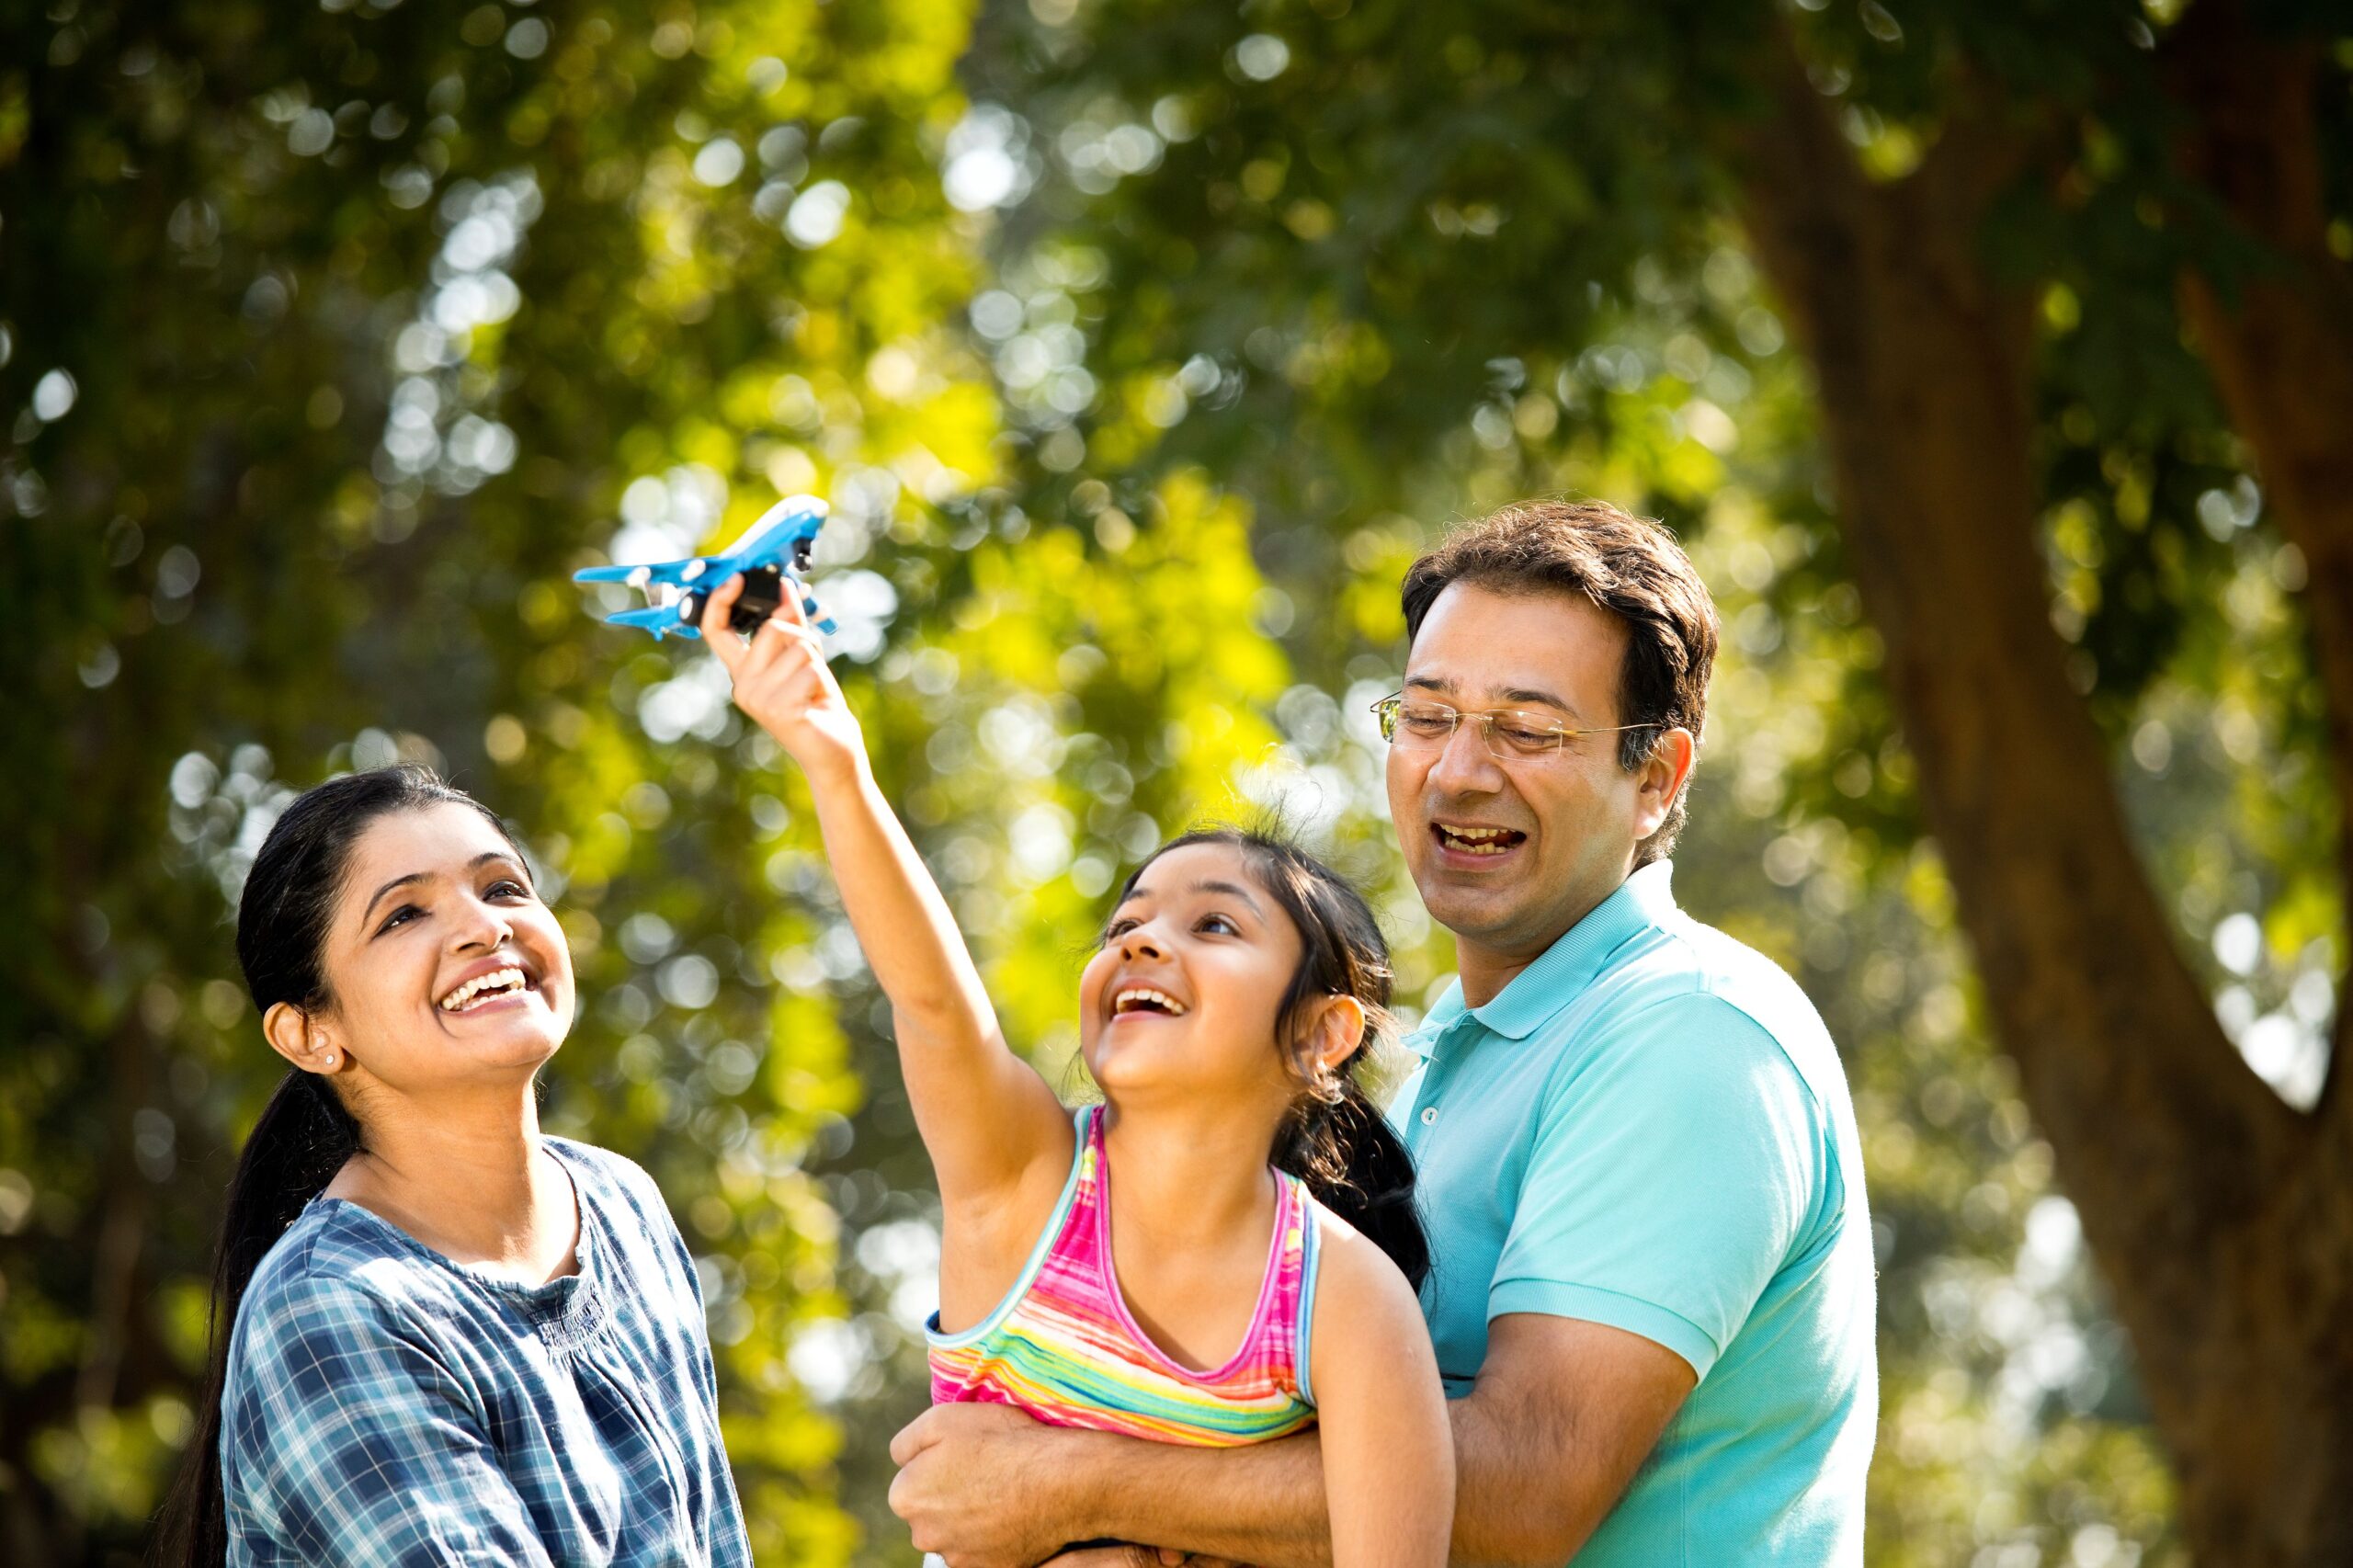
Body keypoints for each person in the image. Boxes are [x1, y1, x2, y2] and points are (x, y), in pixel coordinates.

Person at [886, 498, 1878, 1567]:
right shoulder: (1438, 1064)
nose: (1458, 770)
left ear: (1655, 779)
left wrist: (1071, 1481)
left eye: (1528, 729)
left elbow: (1519, 1498)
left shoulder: (1688, 1033)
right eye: (1426, 713)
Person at [694, 575, 1453, 1568]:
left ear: (1320, 1035)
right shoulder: (1024, 1178)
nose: (1142, 942)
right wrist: (830, 756)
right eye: (1125, 923)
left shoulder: (1345, 1300)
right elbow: (932, 1002)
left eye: (1213, 923)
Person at [153, 766, 750, 1568]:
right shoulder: (334, 1307)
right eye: (402, 915)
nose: (483, 926)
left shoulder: (624, 1204)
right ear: (309, 1034)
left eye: (503, 887)